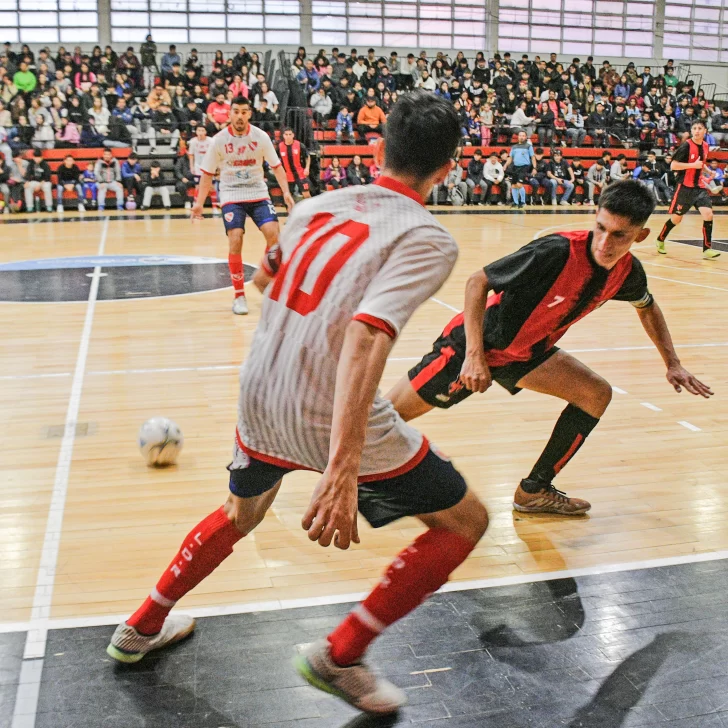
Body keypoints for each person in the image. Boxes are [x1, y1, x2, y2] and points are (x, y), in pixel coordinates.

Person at [107, 92, 490, 717]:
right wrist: (341, 469)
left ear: (377, 148)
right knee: (465, 521)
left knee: (239, 513)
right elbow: (367, 335)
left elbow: (263, 281)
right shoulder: (427, 236)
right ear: (449, 168)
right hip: (329, 410)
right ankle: (340, 655)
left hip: (260, 394)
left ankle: (142, 625)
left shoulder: (313, 206)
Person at [385, 180, 712, 518]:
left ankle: (534, 490)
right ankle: (345, 483)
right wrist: (473, 356)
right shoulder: (555, 251)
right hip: (475, 344)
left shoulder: (628, 273)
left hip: (527, 353)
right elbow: (477, 281)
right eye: (601, 228)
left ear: (640, 236)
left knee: (595, 393)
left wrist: (673, 363)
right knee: (384, 419)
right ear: (594, 217)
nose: (605, 243)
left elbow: (647, 306)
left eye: (619, 236)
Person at [191, 96, 294, 315]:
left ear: (249, 114)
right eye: (235, 111)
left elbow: (277, 167)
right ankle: (239, 296)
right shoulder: (218, 140)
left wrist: (286, 192)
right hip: (231, 193)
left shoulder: (261, 137)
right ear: (229, 114)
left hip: (257, 191)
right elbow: (208, 174)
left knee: (274, 235)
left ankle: (266, 281)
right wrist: (199, 204)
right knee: (235, 238)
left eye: (243, 112)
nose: (239, 116)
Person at [656, 120, 720, 260]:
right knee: (677, 219)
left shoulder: (706, 145)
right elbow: (673, 166)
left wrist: (708, 171)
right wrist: (692, 165)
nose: (697, 131)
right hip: (684, 187)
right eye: (694, 128)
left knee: (708, 214)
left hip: (699, 188)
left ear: (705, 131)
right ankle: (660, 239)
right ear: (691, 131)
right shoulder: (686, 146)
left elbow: (701, 163)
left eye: (700, 128)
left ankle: (707, 249)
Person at [279, 128, 311, 199]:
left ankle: (311, 209)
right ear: (283, 136)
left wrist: (307, 168)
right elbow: (275, 159)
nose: (288, 136)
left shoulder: (299, 145)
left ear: (293, 135)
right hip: (287, 175)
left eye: (290, 134)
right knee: (288, 197)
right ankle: (290, 210)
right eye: (286, 134)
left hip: (300, 173)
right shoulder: (280, 146)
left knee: (307, 195)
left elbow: (307, 156)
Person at [505, 130, 533, 208]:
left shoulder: (528, 146)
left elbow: (533, 157)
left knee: (519, 184)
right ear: (518, 137)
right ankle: (516, 202)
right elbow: (510, 157)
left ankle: (523, 202)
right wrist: (506, 165)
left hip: (524, 167)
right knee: (513, 185)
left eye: (523, 135)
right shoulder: (514, 147)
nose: (521, 137)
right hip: (515, 167)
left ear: (526, 137)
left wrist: (534, 167)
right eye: (520, 135)